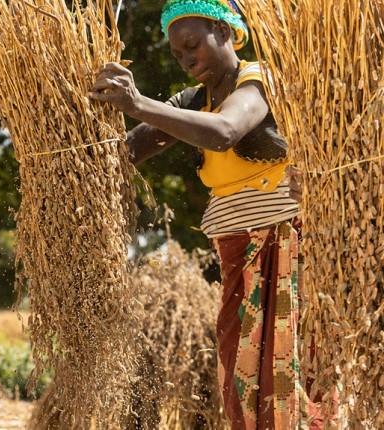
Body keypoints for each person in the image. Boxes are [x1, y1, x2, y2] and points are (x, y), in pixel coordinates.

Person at [88, 0, 328, 428]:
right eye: (178, 54)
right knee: (239, 375)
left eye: (193, 44)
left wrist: (138, 102)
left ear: (224, 29)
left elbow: (224, 133)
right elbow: (122, 154)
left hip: (286, 247)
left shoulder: (259, 80)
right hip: (235, 253)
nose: (186, 59)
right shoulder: (192, 102)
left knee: (288, 371)